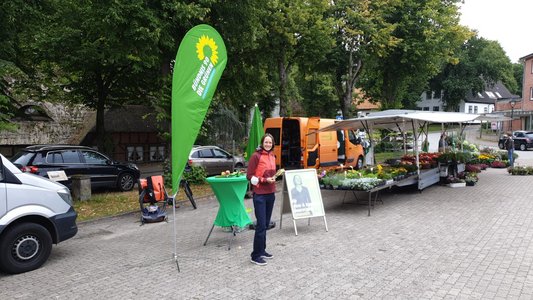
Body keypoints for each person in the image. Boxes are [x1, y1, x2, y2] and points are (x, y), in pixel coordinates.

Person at [246, 133, 276, 266]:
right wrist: (264, 180)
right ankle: (255, 255)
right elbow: (249, 176)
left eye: (270, 142)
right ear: (262, 143)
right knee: (260, 226)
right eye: (266, 142)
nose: (268, 144)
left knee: (265, 225)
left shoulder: (272, 155)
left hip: (271, 193)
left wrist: (275, 177)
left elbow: (271, 173)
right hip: (260, 194)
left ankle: (262, 250)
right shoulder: (255, 156)